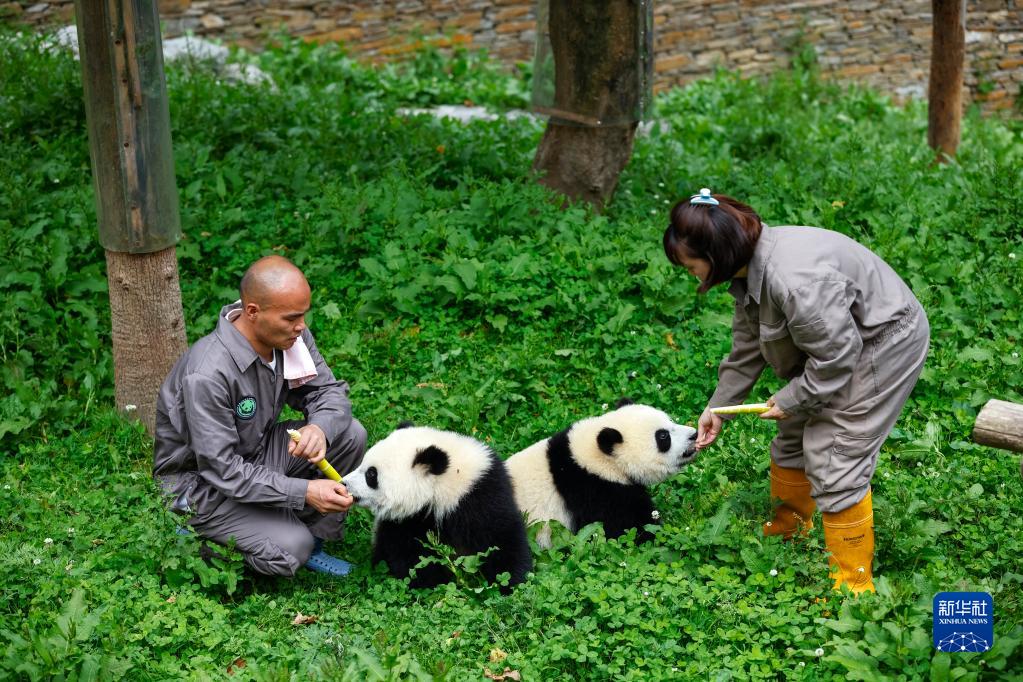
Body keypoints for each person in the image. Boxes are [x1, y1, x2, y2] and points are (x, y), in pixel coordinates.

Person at [664, 189, 929, 593]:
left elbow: (838, 359)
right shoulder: (746, 268)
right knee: (792, 433)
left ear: (717, 255)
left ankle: (852, 588)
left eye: (691, 266)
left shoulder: (794, 283)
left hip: (882, 340)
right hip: (836, 343)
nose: (690, 274)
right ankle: (788, 531)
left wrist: (792, 398)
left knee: (835, 448)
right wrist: (719, 406)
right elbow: (748, 346)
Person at [154, 255, 367, 578]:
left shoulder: (288, 337)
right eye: (292, 318)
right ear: (252, 312)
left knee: (349, 434)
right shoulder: (208, 374)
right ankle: (192, 540)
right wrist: (304, 492)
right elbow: (222, 470)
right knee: (290, 546)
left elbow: (330, 393)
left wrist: (319, 429)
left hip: (256, 453)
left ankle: (309, 540)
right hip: (201, 486)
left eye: (304, 316)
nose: (302, 326)